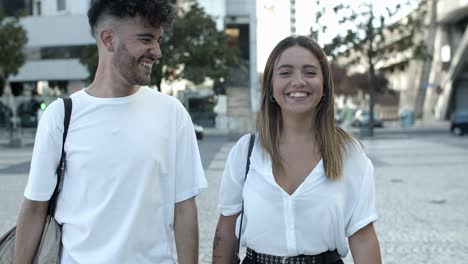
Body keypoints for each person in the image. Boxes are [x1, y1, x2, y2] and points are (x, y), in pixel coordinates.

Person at [13, 1, 207, 263]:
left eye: (158, 40)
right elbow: (35, 208)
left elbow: (184, 209)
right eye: (146, 39)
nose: (157, 51)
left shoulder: (172, 113)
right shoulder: (61, 115)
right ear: (108, 39)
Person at [213, 35, 381, 264]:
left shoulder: (348, 153)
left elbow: (363, 236)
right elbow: (225, 231)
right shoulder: (246, 152)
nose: (298, 81)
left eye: (310, 72)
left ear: (324, 86)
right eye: (285, 72)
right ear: (271, 87)